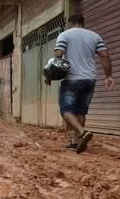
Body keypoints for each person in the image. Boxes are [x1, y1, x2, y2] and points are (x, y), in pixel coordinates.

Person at [47, 14, 114, 154]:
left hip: (72, 79)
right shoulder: (95, 36)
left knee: (66, 110)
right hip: (90, 80)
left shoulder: (65, 35)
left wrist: (49, 75)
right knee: (80, 111)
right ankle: (77, 142)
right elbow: (105, 55)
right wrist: (108, 76)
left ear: (69, 22)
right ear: (82, 23)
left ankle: (83, 132)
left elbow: (58, 54)